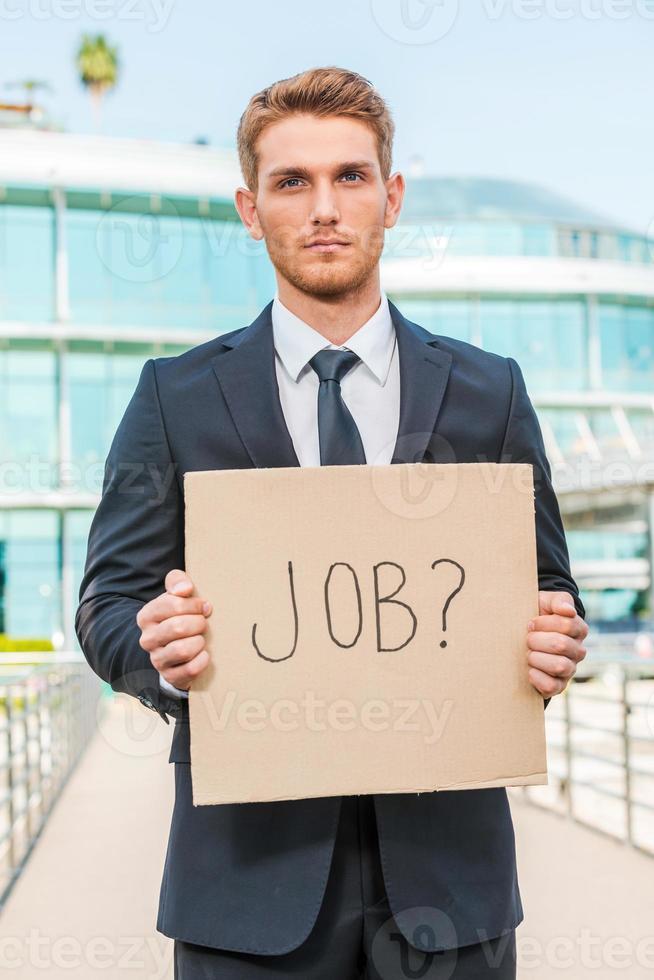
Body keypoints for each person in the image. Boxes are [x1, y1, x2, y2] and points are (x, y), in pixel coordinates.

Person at [75, 66, 589, 979]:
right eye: (291, 181)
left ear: (390, 198)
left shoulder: (490, 391)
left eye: (350, 177)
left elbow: (548, 587)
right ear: (249, 207)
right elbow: (108, 602)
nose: (324, 207)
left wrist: (550, 646)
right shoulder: (175, 396)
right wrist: (155, 649)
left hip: (450, 892)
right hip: (247, 889)